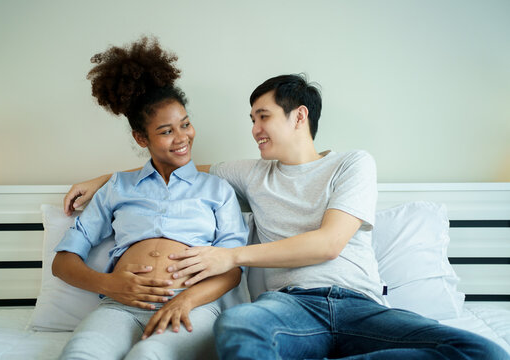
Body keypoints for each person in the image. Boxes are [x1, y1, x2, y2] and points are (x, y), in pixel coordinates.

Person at [64, 74, 509, 359]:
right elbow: (178, 166)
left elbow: (329, 242)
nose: (253, 129)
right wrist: (105, 178)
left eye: (262, 116)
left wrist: (233, 257)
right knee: (238, 327)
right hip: (289, 307)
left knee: (478, 351)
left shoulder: (353, 163)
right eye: (252, 118)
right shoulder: (250, 174)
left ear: (299, 117)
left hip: (361, 305)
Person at [53, 36, 249, 360]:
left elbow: (232, 270)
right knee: (79, 354)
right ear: (140, 137)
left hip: (190, 306)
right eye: (166, 131)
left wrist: (185, 300)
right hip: (120, 306)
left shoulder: (217, 190)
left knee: (147, 357)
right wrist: (109, 285)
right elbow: (63, 262)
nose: (182, 137)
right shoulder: (118, 187)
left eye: (185, 124)